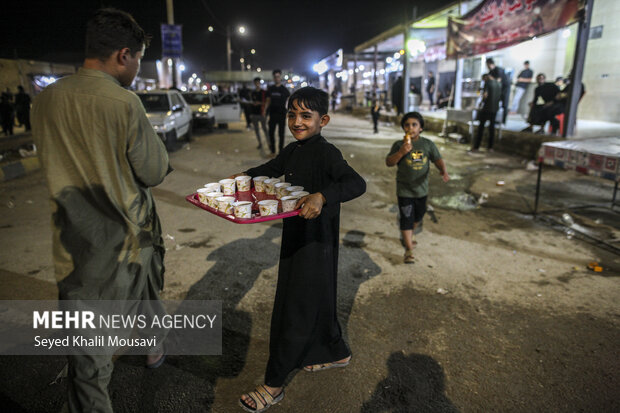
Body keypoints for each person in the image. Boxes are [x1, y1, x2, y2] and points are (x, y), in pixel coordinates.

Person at [30, 9, 170, 413]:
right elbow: (155, 170)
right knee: (139, 299)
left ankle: (152, 348)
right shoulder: (125, 103)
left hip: (76, 244)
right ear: (124, 55)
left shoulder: (44, 100)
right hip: (129, 238)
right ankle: (153, 349)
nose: (138, 67)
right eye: (139, 59)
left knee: (91, 351)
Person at [232, 87, 366, 412]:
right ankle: (336, 352)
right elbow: (271, 168)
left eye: (306, 115)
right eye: (292, 114)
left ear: (324, 120)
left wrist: (322, 196)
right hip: (297, 238)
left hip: (315, 243)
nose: (297, 121)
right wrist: (243, 178)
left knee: (294, 309)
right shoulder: (293, 151)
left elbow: (356, 183)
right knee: (318, 298)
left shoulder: (326, 152)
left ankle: (274, 384)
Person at [386, 112, 449, 263]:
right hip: (405, 190)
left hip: (421, 190)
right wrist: (401, 152)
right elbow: (389, 162)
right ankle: (408, 250)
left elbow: (437, 159)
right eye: (407, 125)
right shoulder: (398, 145)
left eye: (414, 125)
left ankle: (409, 233)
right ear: (403, 128)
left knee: (418, 216)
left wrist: (443, 171)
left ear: (420, 128)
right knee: (406, 218)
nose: (410, 128)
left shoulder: (427, 144)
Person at [470, 73, 501, 153]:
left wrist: (481, 103)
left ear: (486, 77)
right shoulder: (498, 84)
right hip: (495, 109)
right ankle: (490, 147)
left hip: (487, 108)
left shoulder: (488, 83)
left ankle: (476, 146)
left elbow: (485, 95)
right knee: (492, 128)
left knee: (481, 128)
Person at [265, 69, 290, 155]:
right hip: (272, 114)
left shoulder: (284, 90)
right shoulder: (270, 89)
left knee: (281, 134)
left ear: (280, 77)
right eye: (275, 77)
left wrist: (289, 112)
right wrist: (265, 111)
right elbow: (267, 101)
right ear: (273, 78)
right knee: (271, 133)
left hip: (281, 114)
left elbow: (288, 101)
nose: (276, 78)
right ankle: (273, 151)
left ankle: (280, 152)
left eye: (278, 77)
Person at [486, 58, 510, 123]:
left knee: (504, 104)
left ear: (490, 64)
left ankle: (503, 121)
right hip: (497, 90)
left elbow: (498, 80)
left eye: (487, 65)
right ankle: (495, 120)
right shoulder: (491, 72)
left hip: (504, 88)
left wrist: (491, 78)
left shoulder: (499, 70)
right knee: (495, 104)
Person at [250, 76, 268, 151]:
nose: (257, 84)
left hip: (261, 113)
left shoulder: (263, 92)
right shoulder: (253, 93)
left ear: (260, 83)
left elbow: (266, 102)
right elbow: (251, 102)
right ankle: (260, 143)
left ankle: (268, 142)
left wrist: (259, 103)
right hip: (254, 114)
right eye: (256, 83)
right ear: (254, 83)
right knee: (257, 130)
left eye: (258, 83)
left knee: (265, 129)